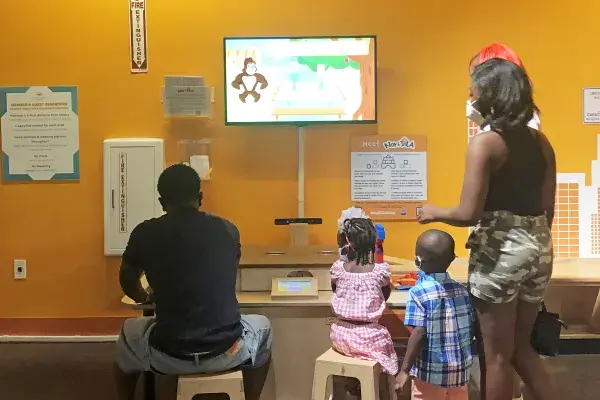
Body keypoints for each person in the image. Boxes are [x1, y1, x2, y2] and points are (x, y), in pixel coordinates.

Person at [417, 58, 557, 400]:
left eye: (473, 93)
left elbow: (468, 212)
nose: (470, 100)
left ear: (491, 96)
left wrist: (432, 211)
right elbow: (548, 209)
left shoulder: (485, 144)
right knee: (521, 349)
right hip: (539, 248)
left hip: (499, 257)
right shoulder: (542, 143)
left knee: (496, 357)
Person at [115, 163, 272, 400]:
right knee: (263, 326)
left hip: (168, 354)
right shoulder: (228, 229)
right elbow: (229, 270)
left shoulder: (144, 233)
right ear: (200, 197)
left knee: (128, 331)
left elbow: (127, 280)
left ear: (162, 202)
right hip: (227, 349)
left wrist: (145, 298)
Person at [396, 229, 475, 400]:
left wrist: (404, 370)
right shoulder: (463, 291)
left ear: (417, 259)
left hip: (431, 372)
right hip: (460, 371)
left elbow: (419, 333)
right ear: (453, 258)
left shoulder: (418, 293)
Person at [329, 206, 397, 398]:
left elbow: (335, 291)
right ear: (375, 242)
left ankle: (354, 385)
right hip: (369, 338)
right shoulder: (379, 271)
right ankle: (379, 390)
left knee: (358, 357)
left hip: (341, 336)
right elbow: (385, 294)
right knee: (387, 356)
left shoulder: (338, 268)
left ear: (347, 241)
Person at [467, 43, 541, 133]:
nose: (474, 85)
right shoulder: (491, 117)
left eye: (479, 77)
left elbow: (519, 143)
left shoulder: (528, 120)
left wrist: (488, 127)